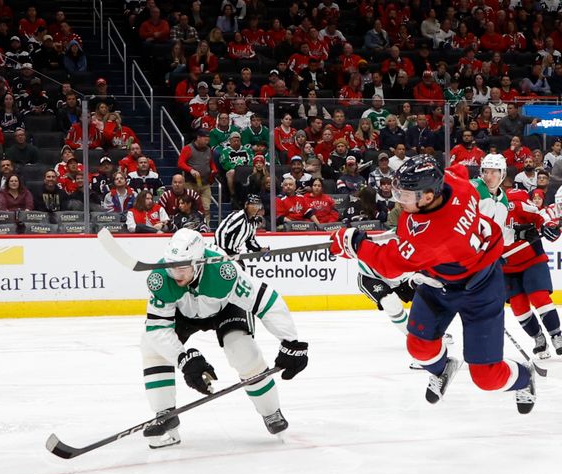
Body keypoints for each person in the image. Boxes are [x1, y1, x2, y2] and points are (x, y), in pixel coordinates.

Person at [328, 155, 537, 413]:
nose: (399, 200)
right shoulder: (454, 183)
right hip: (441, 279)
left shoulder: (435, 236)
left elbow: (389, 263)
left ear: (428, 196)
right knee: (419, 346)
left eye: (405, 195)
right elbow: (456, 169)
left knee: (487, 378)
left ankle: (524, 377)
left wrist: (353, 244)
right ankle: (443, 368)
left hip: (481, 289)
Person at [138, 228, 308, 447]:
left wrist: (291, 342)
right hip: (184, 312)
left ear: (199, 262)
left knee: (241, 350)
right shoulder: (160, 278)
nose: (176, 274)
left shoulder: (223, 272)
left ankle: (271, 411)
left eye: (182, 268)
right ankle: (164, 413)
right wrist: (184, 359)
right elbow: (157, 329)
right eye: (171, 266)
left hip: (226, 308)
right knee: (151, 349)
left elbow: (267, 301)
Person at [503, 186, 562, 359]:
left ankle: (556, 335)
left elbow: (539, 216)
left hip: (531, 259)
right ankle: (538, 338)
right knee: (518, 307)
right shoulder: (481, 211)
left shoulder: (513, 202)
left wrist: (545, 226)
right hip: (506, 267)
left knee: (539, 297)